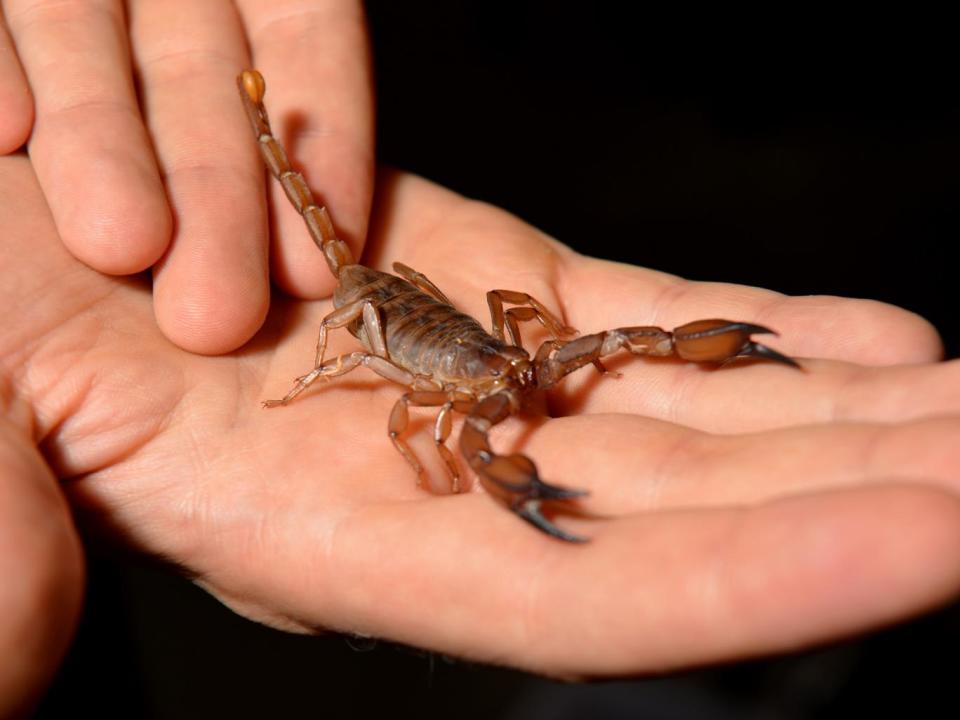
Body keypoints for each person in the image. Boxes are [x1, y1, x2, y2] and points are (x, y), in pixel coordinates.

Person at [3, 2, 960, 716]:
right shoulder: (455, 401)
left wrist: (565, 336)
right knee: (382, 379)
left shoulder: (514, 359)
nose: (518, 386)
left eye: (521, 367)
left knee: (612, 343)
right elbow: (410, 417)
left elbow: (572, 328)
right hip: (387, 315)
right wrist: (425, 452)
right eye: (512, 378)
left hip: (439, 316)